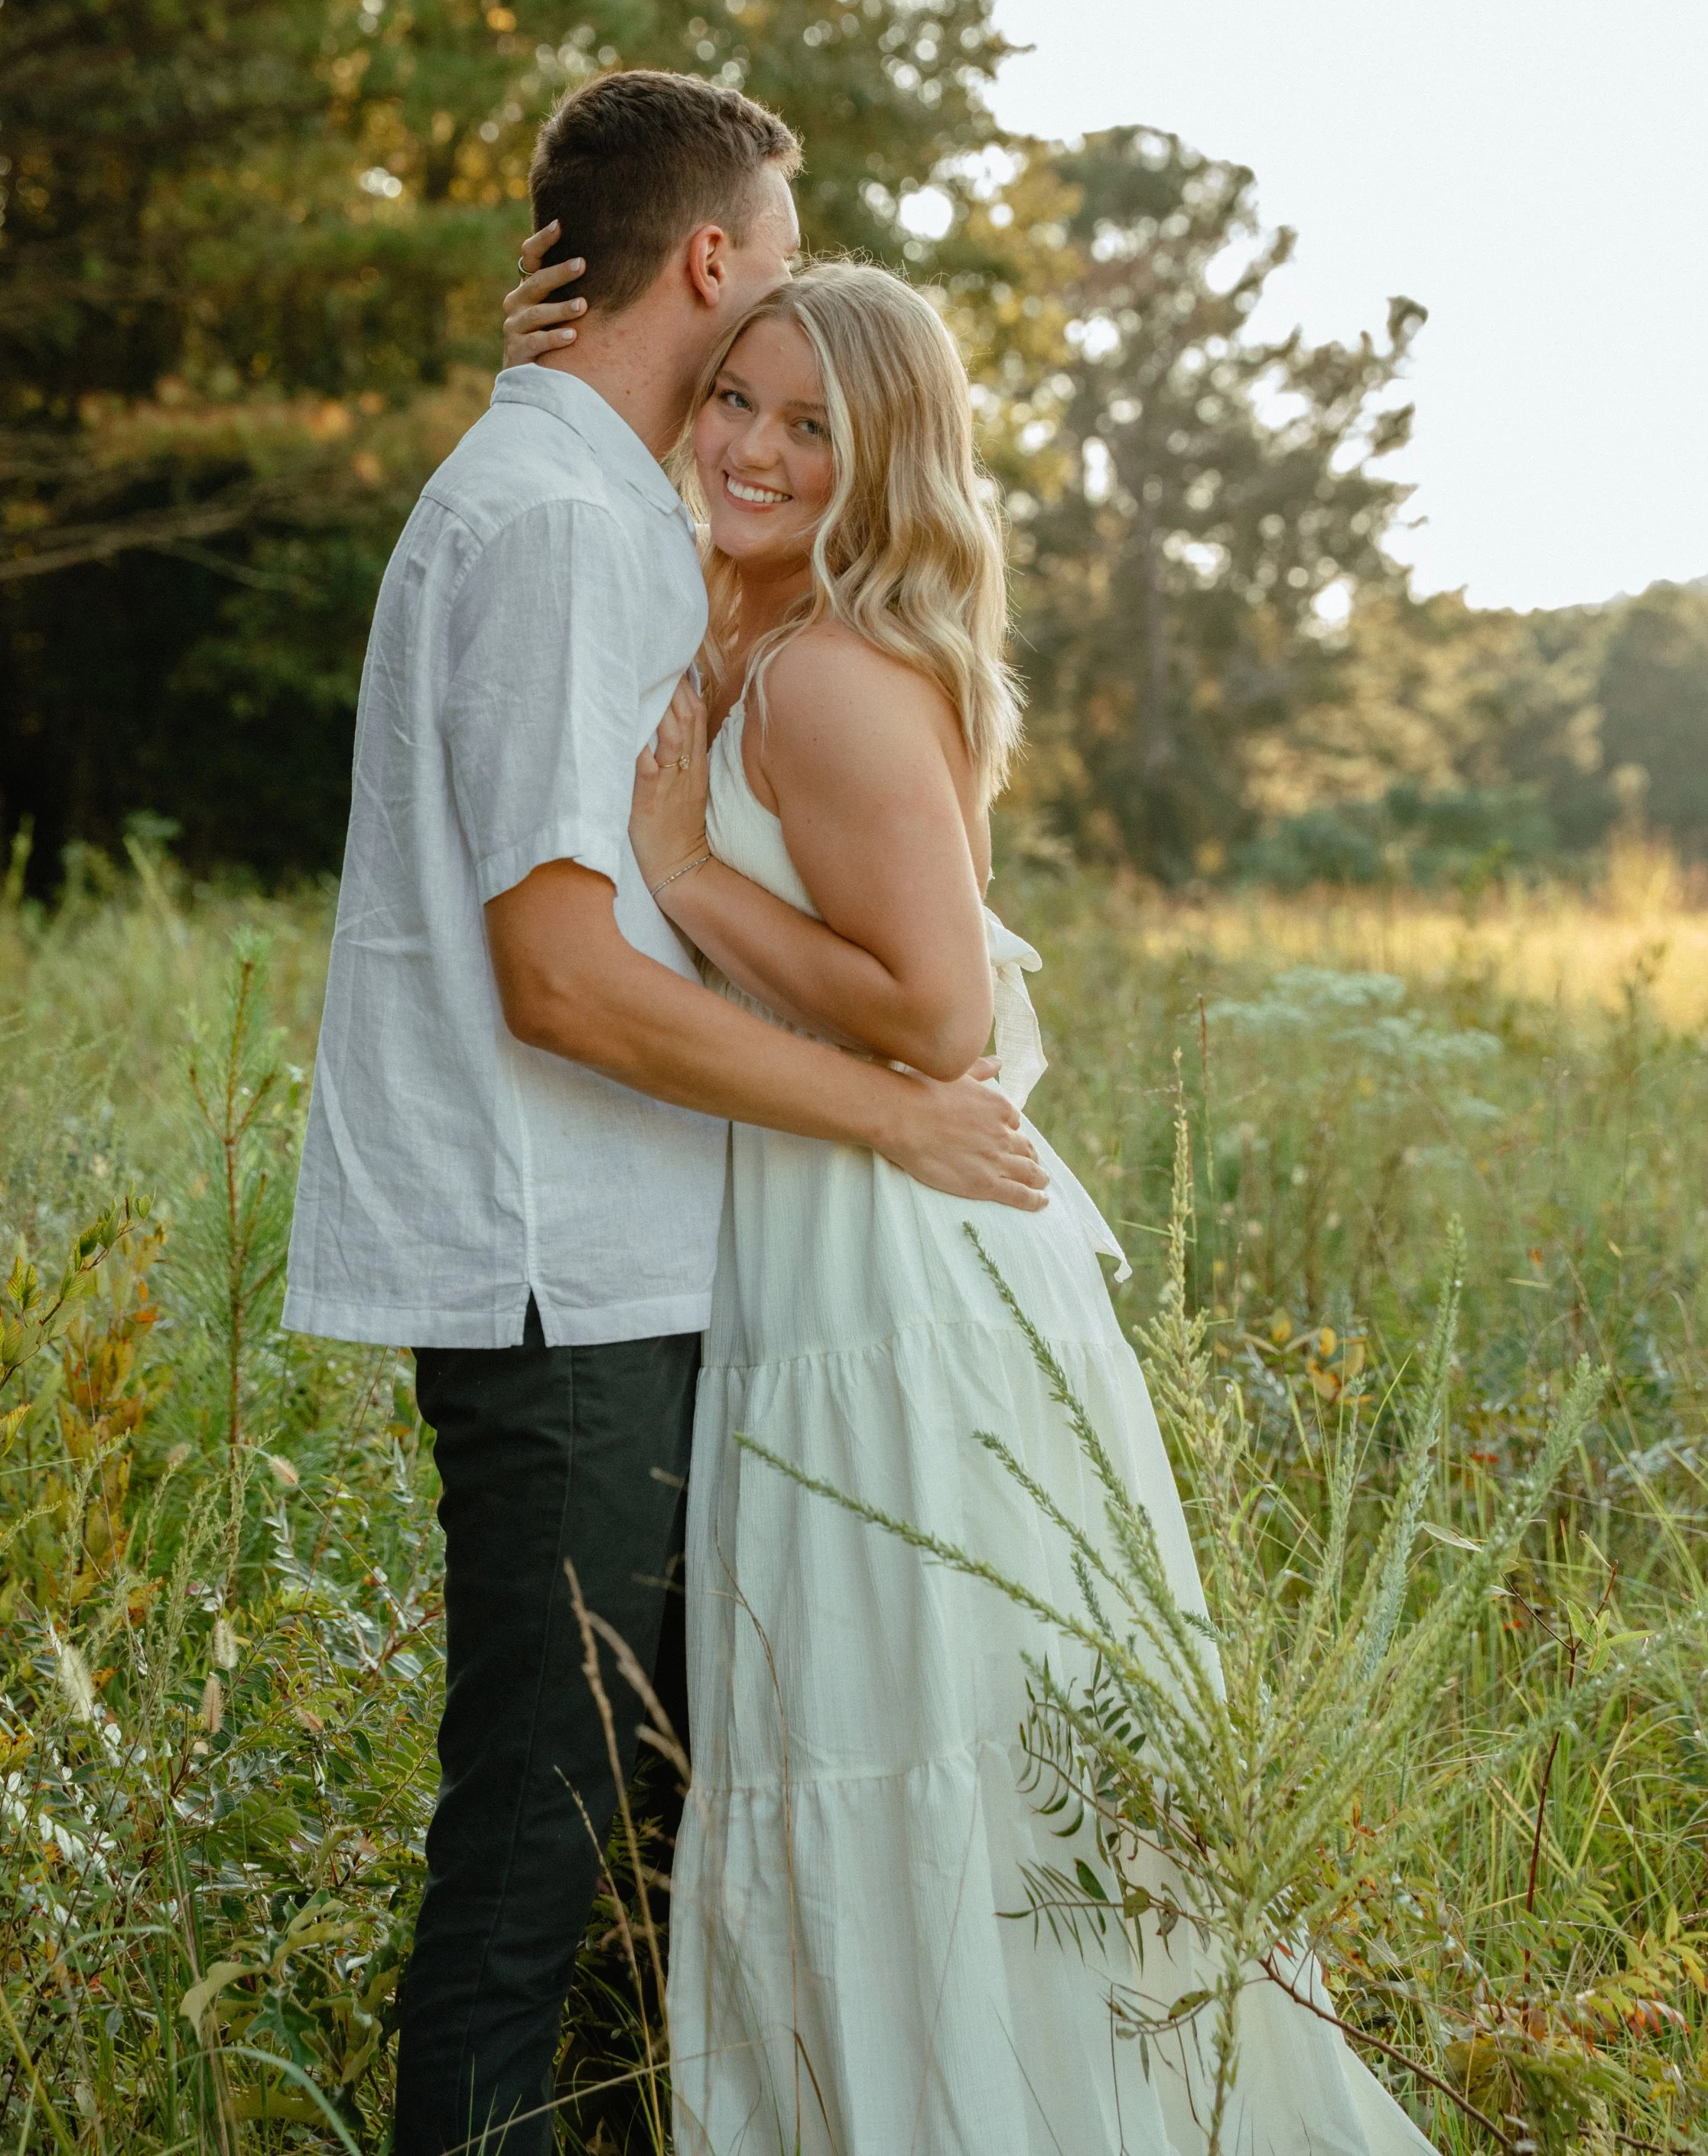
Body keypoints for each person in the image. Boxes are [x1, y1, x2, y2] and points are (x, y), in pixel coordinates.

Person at [501, 253, 1435, 2154]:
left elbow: (936, 1015)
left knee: (937, 1729)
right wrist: (548, 372)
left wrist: (688, 876)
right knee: (865, 1722)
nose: (753, 449)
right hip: (826, 1238)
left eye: (811, 426)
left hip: (900, 1260)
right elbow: (577, 509)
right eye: (735, 400)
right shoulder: (736, 623)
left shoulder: (830, 674)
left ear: (887, 461)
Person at [283, 70, 1047, 2156]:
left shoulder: (594, 502)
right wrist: (888, 1115)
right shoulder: (554, 525)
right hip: (564, 1287)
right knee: (533, 1863)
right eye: (775, 261)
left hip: (646, 1273)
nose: (786, 311)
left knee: (668, 1833)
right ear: (709, 259)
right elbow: (556, 974)